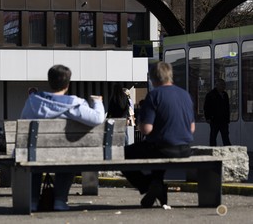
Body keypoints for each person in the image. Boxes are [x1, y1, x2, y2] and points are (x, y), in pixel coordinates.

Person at [20, 64, 105, 211]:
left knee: (31, 156)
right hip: (65, 154)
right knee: (68, 154)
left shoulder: (33, 102)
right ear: (67, 84)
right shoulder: (74, 104)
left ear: (49, 81)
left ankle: (32, 201)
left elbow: (22, 124)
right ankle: (59, 200)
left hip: (36, 155)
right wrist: (97, 102)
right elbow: (98, 119)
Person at [122, 61, 195, 208]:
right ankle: (157, 187)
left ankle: (148, 185)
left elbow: (147, 129)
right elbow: (191, 128)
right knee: (156, 151)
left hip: (161, 148)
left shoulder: (154, 96)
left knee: (124, 154)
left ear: (153, 79)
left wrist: (142, 124)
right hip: (185, 149)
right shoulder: (185, 95)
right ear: (170, 76)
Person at [204, 79, 231, 146]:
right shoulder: (210, 95)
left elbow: (227, 108)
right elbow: (206, 107)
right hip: (214, 120)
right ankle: (212, 149)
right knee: (213, 136)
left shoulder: (225, 95)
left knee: (225, 137)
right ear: (217, 85)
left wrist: (227, 119)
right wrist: (208, 117)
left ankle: (228, 149)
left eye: (224, 85)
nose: (223, 86)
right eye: (222, 85)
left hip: (223, 120)